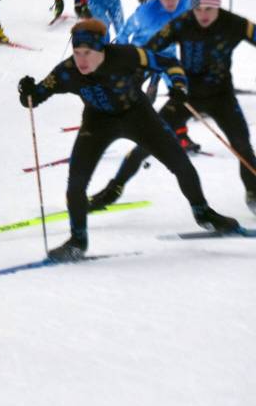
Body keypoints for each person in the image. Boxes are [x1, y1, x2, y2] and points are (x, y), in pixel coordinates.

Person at [18, 19, 239, 261]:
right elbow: (35, 96)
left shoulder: (126, 55)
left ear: (102, 49)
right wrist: (27, 91)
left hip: (138, 115)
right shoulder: (66, 72)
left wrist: (179, 85)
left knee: (181, 164)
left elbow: (170, 64)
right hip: (97, 122)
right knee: (76, 181)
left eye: (87, 53)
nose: (81, 60)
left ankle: (203, 213)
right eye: (77, 53)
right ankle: (77, 241)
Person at [87, 0, 256, 214]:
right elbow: (148, 51)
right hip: (186, 96)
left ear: (218, 6)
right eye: (197, 9)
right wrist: (133, 78)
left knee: (242, 146)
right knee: (147, 142)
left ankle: (253, 193)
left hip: (222, 97)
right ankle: (113, 190)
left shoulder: (234, 23)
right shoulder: (182, 23)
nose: (203, 14)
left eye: (209, 9)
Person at [120, 0, 193, 105]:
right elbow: (125, 31)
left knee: (180, 87)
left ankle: (184, 106)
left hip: (167, 52)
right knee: (130, 88)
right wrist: (121, 53)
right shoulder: (145, 13)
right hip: (143, 51)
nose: (171, 2)